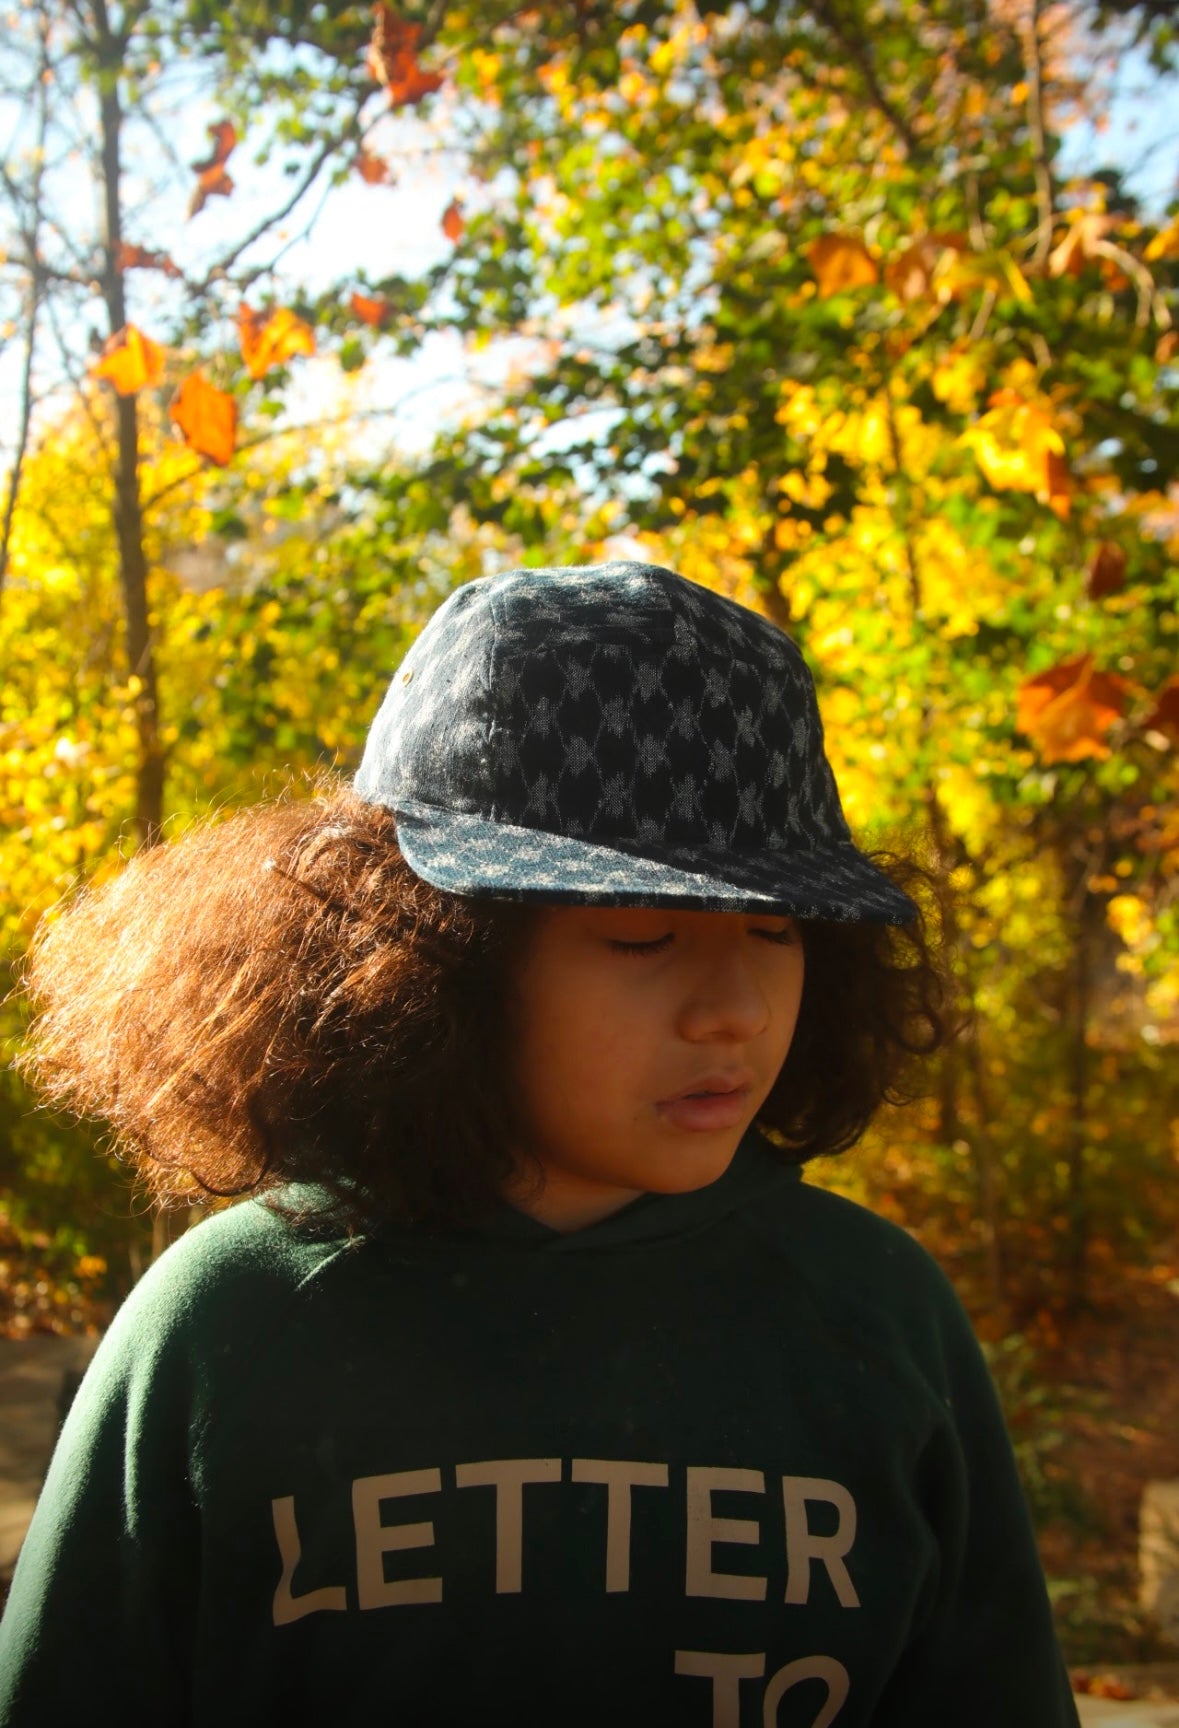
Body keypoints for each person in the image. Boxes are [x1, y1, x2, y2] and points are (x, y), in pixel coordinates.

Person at [0, 561, 1079, 1727]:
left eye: (776, 928)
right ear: (427, 961)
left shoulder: (876, 1314)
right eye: (641, 936)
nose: (739, 1010)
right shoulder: (233, 1320)